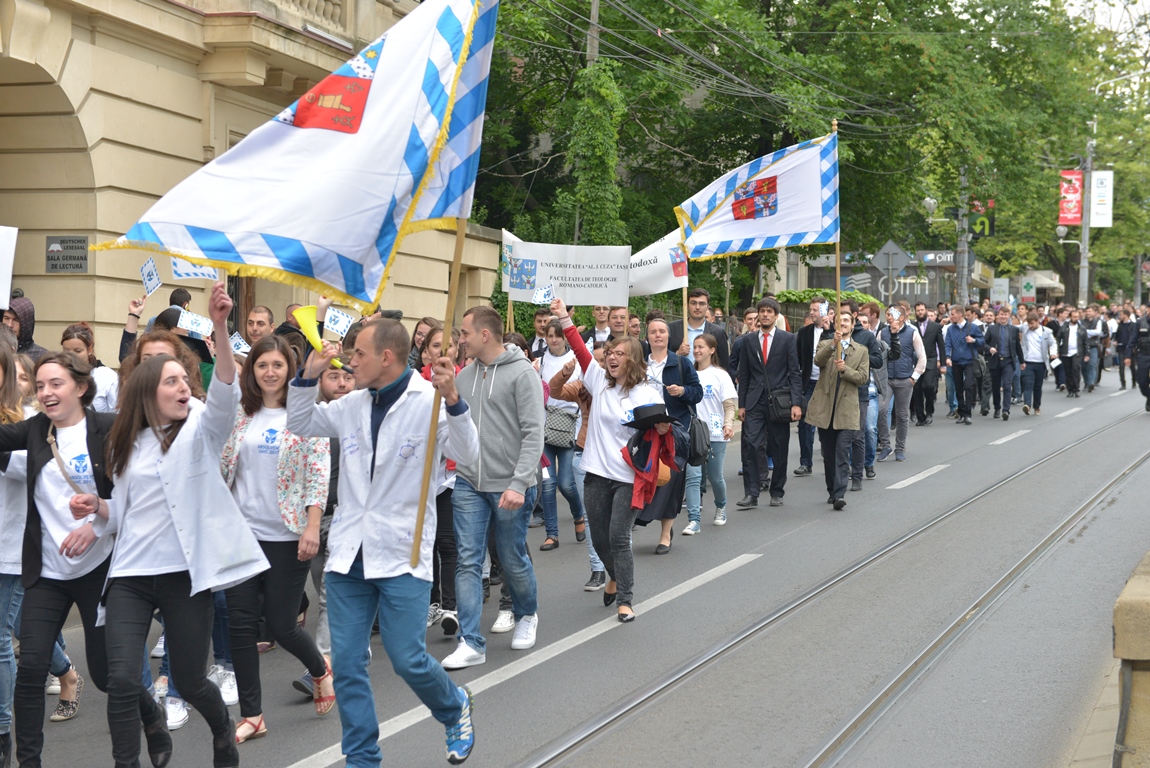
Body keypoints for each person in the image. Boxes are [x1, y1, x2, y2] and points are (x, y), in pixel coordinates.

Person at [76, 282, 265, 768]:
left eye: (186, 379)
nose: (185, 387)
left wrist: (221, 326)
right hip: (131, 577)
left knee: (191, 678)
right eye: (173, 381)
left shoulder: (202, 426)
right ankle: (136, 752)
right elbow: (127, 513)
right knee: (121, 678)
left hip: (184, 577)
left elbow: (224, 390)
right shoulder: (122, 440)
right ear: (147, 391)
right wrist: (98, 508)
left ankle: (221, 731)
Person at [287, 318, 480, 767]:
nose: (350, 361)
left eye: (358, 355)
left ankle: (454, 707)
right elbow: (300, 421)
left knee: (407, 657)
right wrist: (307, 375)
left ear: (386, 358)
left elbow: (469, 457)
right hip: (350, 553)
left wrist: (453, 400)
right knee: (348, 665)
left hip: (402, 550)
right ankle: (362, 758)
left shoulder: (429, 400)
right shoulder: (352, 403)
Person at [0, 351, 165, 767]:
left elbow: (136, 493)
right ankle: (28, 762)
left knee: (109, 676)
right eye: (39, 386)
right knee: (33, 667)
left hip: (100, 569)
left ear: (81, 388)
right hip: (47, 574)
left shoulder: (107, 429)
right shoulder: (35, 430)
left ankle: (151, 716)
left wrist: (95, 526)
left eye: (55, 384)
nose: (46, 392)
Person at [220, 335, 333, 743]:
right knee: (242, 627)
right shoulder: (239, 415)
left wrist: (311, 526)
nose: (269, 372)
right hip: (242, 536)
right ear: (252, 371)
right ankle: (252, 714)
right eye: (262, 365)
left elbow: (318, 475)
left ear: (290, 369)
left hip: (288, 536)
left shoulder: (306, 414)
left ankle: (320, 669)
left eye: (278, 365)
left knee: (283, 626)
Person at [443, 306, 544, 670]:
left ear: (484, 334)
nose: (460, 339)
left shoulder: (522, 374)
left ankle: (527, 613)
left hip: (510, 485)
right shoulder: (463, 376)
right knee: (469, 558)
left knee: (511, 554)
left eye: (465, 333)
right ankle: (470, 641)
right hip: (469, 480)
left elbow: (534, 433)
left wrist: (519, 483)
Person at [553, 298, 663, 622]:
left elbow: (663, 432)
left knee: (618, 536)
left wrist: (660, 425)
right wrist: (562, 316)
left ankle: (625, 599)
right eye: (610, 354)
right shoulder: (598, 380)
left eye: (619, 354)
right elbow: (578, 346)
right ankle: (613, 574)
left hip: (630, 478)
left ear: (634, 361)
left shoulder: (647, 394)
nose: (612, 358)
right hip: (596, 474)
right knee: (599, 538)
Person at [293, 351, 355, 696]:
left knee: (331, 594)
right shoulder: (311, 419)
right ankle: (350, 642)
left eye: (347, 376)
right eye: (333, 376)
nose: (342, 383)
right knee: (322, 589)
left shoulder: (357, 414)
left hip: (346, 518)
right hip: (312, 519)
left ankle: (321, 664)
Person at [634, 317, 701, 553]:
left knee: (671, 482)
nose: (658, 335)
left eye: (662, 331)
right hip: (646, 433)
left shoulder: (681, 363)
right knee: (647, 480)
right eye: (653, 332)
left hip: (674, 433)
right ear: (647, 336)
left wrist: (683, 391)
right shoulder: (639, 364)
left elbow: (697, 393)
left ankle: (665, 535)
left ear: (668, 336)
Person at [0, 342, 36, 768]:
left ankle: (3, 732)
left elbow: (36, 467)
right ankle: (64, 672)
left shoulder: (26, 420)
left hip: (9, 546)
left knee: (2, 641)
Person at [547, 351, 609, 591]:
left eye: (607, 360)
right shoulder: (583, 385)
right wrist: (564, 373)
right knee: (593, 516)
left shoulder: (626, 385)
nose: (603, 365)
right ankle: (597, 569)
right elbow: (555, 392)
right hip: (585, 455)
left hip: (616, 459)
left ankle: (618, 569)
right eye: (598, 361)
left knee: (616, 520)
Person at [736, 297, 802, 508]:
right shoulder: (748, 341)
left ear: (776, 316)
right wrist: (742, 404)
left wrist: (796, 403)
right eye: (762, 311)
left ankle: (777, 490)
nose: (765, 315)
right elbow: (743, 374)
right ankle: (752, 492)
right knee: (752, 446)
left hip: (779, 402)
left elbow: (794, 372)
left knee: (779, 446)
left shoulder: (788, 339)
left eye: (769, 311)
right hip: (754, 402)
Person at [417, 329, 461, 634]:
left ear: (457, 350)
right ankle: (431, 601)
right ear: (426, 351)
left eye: (448, 345)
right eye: (435, 345)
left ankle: (451, 606)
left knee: (448, 543)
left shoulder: (466, 380)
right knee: (425, 544)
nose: (441, 350)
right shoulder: (415, 384)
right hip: (420, 478)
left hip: (451, 478)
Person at [806, 313, 870, 510]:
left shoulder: (861, 350)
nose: (842, 323)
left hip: (847, 409)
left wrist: (846, 370)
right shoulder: (826, 344)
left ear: (852, 325)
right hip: (826, 408)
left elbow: (862, 377)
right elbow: (818, 361)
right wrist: (833, 344)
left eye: (846, 321)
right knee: (829, 453)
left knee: (842, 451)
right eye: (839, 321)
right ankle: (832, 489)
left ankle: (840, 493)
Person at [537, 321, 586, 552]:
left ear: (565, 338)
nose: (554, 340)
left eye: (558, 336)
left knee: (566, 483)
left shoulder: (576, 361)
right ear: (545, 337)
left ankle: (579, 515)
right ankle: (552, 535)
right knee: (547, 483)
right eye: (550, 336)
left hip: (568, 430)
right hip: (545, 430)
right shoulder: (541, 361)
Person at [682, 334, 735, 532]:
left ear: (712, 350)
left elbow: (729, 405)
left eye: (701, 347)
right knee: (693, 476)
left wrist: (728, 424)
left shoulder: (720, 375)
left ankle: (721, 506)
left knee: (715, 477)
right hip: (694, 432)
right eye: (695, 347)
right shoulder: (688, 373)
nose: (696, 350)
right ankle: (694, 520)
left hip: (715, 431)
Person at [878, 306, 923, 461]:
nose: (889, 317)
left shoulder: (912, 332)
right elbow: (877, 355)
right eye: (888, 314)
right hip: (887, 379)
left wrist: (914, 377)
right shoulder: (883, 332)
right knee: (881, 410)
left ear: (902, 318)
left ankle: (900, 447)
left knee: (902, 414)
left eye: (893, 315)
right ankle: (885, 445)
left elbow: (921, 357)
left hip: (905, 379)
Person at [794, 298, 833, 476]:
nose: (812, 313)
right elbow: (797, 358)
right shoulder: (804, 332)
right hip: (809, 382)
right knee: (805, 421)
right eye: (811, 309)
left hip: (829, 383)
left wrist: (829, 330)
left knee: (829, 423)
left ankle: (832, 458)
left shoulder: (835, 331)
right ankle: (806, 462)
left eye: (816, 310)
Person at [60, 323, 119, 413]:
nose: (72, 356)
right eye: (66, 351)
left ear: (90, 349)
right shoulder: (57, 375)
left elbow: (119, 415)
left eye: (78, 351)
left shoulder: (107, 377)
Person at [669, 287, 730, 371]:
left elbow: (724, 365)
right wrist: (677, 354)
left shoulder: (718, 332)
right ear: (687, 305)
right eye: (693, 303)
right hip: (678, 379)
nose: (697, 307)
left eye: (701, 304)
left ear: (707, 306)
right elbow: (662, 357)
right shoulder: (672, 328)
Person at [944, 304, 984, 424]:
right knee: (958, 387)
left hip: (969, 361)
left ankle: (968, 413)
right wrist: (947, 357)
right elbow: (947, 344)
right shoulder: (950, 329)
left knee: (968, 386)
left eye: (952, 314)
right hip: (956, 361)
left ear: (960, 314)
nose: (951, 317)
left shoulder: (973, 327)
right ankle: (961, 413)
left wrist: (974, 340)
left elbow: (982, 341)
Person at [984, 306, 1023, 420]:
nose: (1003, 317)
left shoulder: (1014, 330)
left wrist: (1022, 361)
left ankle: (1006, 410)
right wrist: (989, 349)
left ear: (1009, 316)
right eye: (1001, 314)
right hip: (995, 361)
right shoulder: (992, 329)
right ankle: (997, 408)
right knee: (995, 387)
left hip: (1008, 361)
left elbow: (1017, 346)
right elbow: (984, 343)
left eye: (1005, 315)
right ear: (997, 316)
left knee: (1007, 385)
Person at [911, 302, 945, 426]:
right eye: (918, 310)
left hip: (930, 360)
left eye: (922, 310)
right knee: (917, 389)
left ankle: (929, 411)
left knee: (928, 386)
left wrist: (942, 364)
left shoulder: (935, 327)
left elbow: (941, 346)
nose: (920, 312)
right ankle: (921, 417)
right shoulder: (912, 327)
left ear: (926, 311)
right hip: (916, 361)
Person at [1020, 311, 1059, 416]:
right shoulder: (1025, 328)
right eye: (1029, 324)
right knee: (1028, 384)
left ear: (1038, 322)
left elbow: (1053, 344)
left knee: (1037, 386)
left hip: (1040, 363)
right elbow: (1015, 327)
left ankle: (1037, 407)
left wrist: (1053, 353)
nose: (1030, 326)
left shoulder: (1046, 332)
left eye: (1032, 323)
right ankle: (1027, 405)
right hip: (1027, 362)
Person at [3, 297, 48, 362]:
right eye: (6, 318)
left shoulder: (41, 356)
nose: (9, 325)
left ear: (26, 324)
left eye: (16, 320)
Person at [1058, 309, 1088, 398]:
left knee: (1076, 370)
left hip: (1077, 353)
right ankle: (1070, 390)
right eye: (1074, 317)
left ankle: (1076, 389)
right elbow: (1058, 339)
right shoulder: (1064, 327)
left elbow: (1085, 342)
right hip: (1066, 352)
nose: (1076, 318)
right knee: (1068, 372)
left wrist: (1087, 354)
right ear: (1070, 317)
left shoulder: (1082, 328)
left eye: (1077, 317)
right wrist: (1057, 350)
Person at [1116, 309, 1137, 391]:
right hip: (1121, 347)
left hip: (1130, 348)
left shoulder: (1133, 325)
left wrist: (1134, 347)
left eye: (1121, 314)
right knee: (1121, 366)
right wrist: (1116, 341)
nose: (1120, 316)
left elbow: (1135, 337)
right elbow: (1117, 335)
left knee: (1132, 367)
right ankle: (1123, 384)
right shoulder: (1120, 325)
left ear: (1126, 315)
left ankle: (1134, 382)